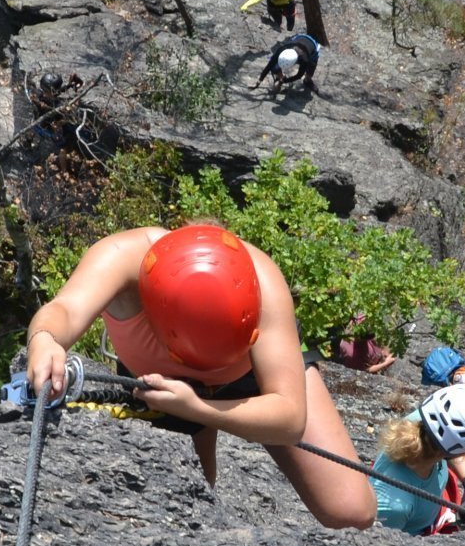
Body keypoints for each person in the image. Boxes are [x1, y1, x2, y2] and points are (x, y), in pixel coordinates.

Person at [24, 223, 376, 529]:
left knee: (351, 509)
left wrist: (198, 407)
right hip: (157, 383)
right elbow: (65, 309)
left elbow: (289, 417)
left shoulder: (263, 284)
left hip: (250, 378)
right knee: (186, 502)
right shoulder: (121, 258)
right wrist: (45, 341)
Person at [369, 386, 465, 535]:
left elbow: (452, 445)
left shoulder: (421, 423)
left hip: (429, 505)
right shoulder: (395, 505)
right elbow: (385, 545)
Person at [253, 31, 323, 94]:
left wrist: (283, 81)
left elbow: (299, 75)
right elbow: (269, 65)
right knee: (273, 64)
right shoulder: (282, 49)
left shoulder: (304, 59)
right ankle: (280, 76)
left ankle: (307, 80)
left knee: (311, 68)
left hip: (312, 48)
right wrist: (259, 81)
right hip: (298, 39)